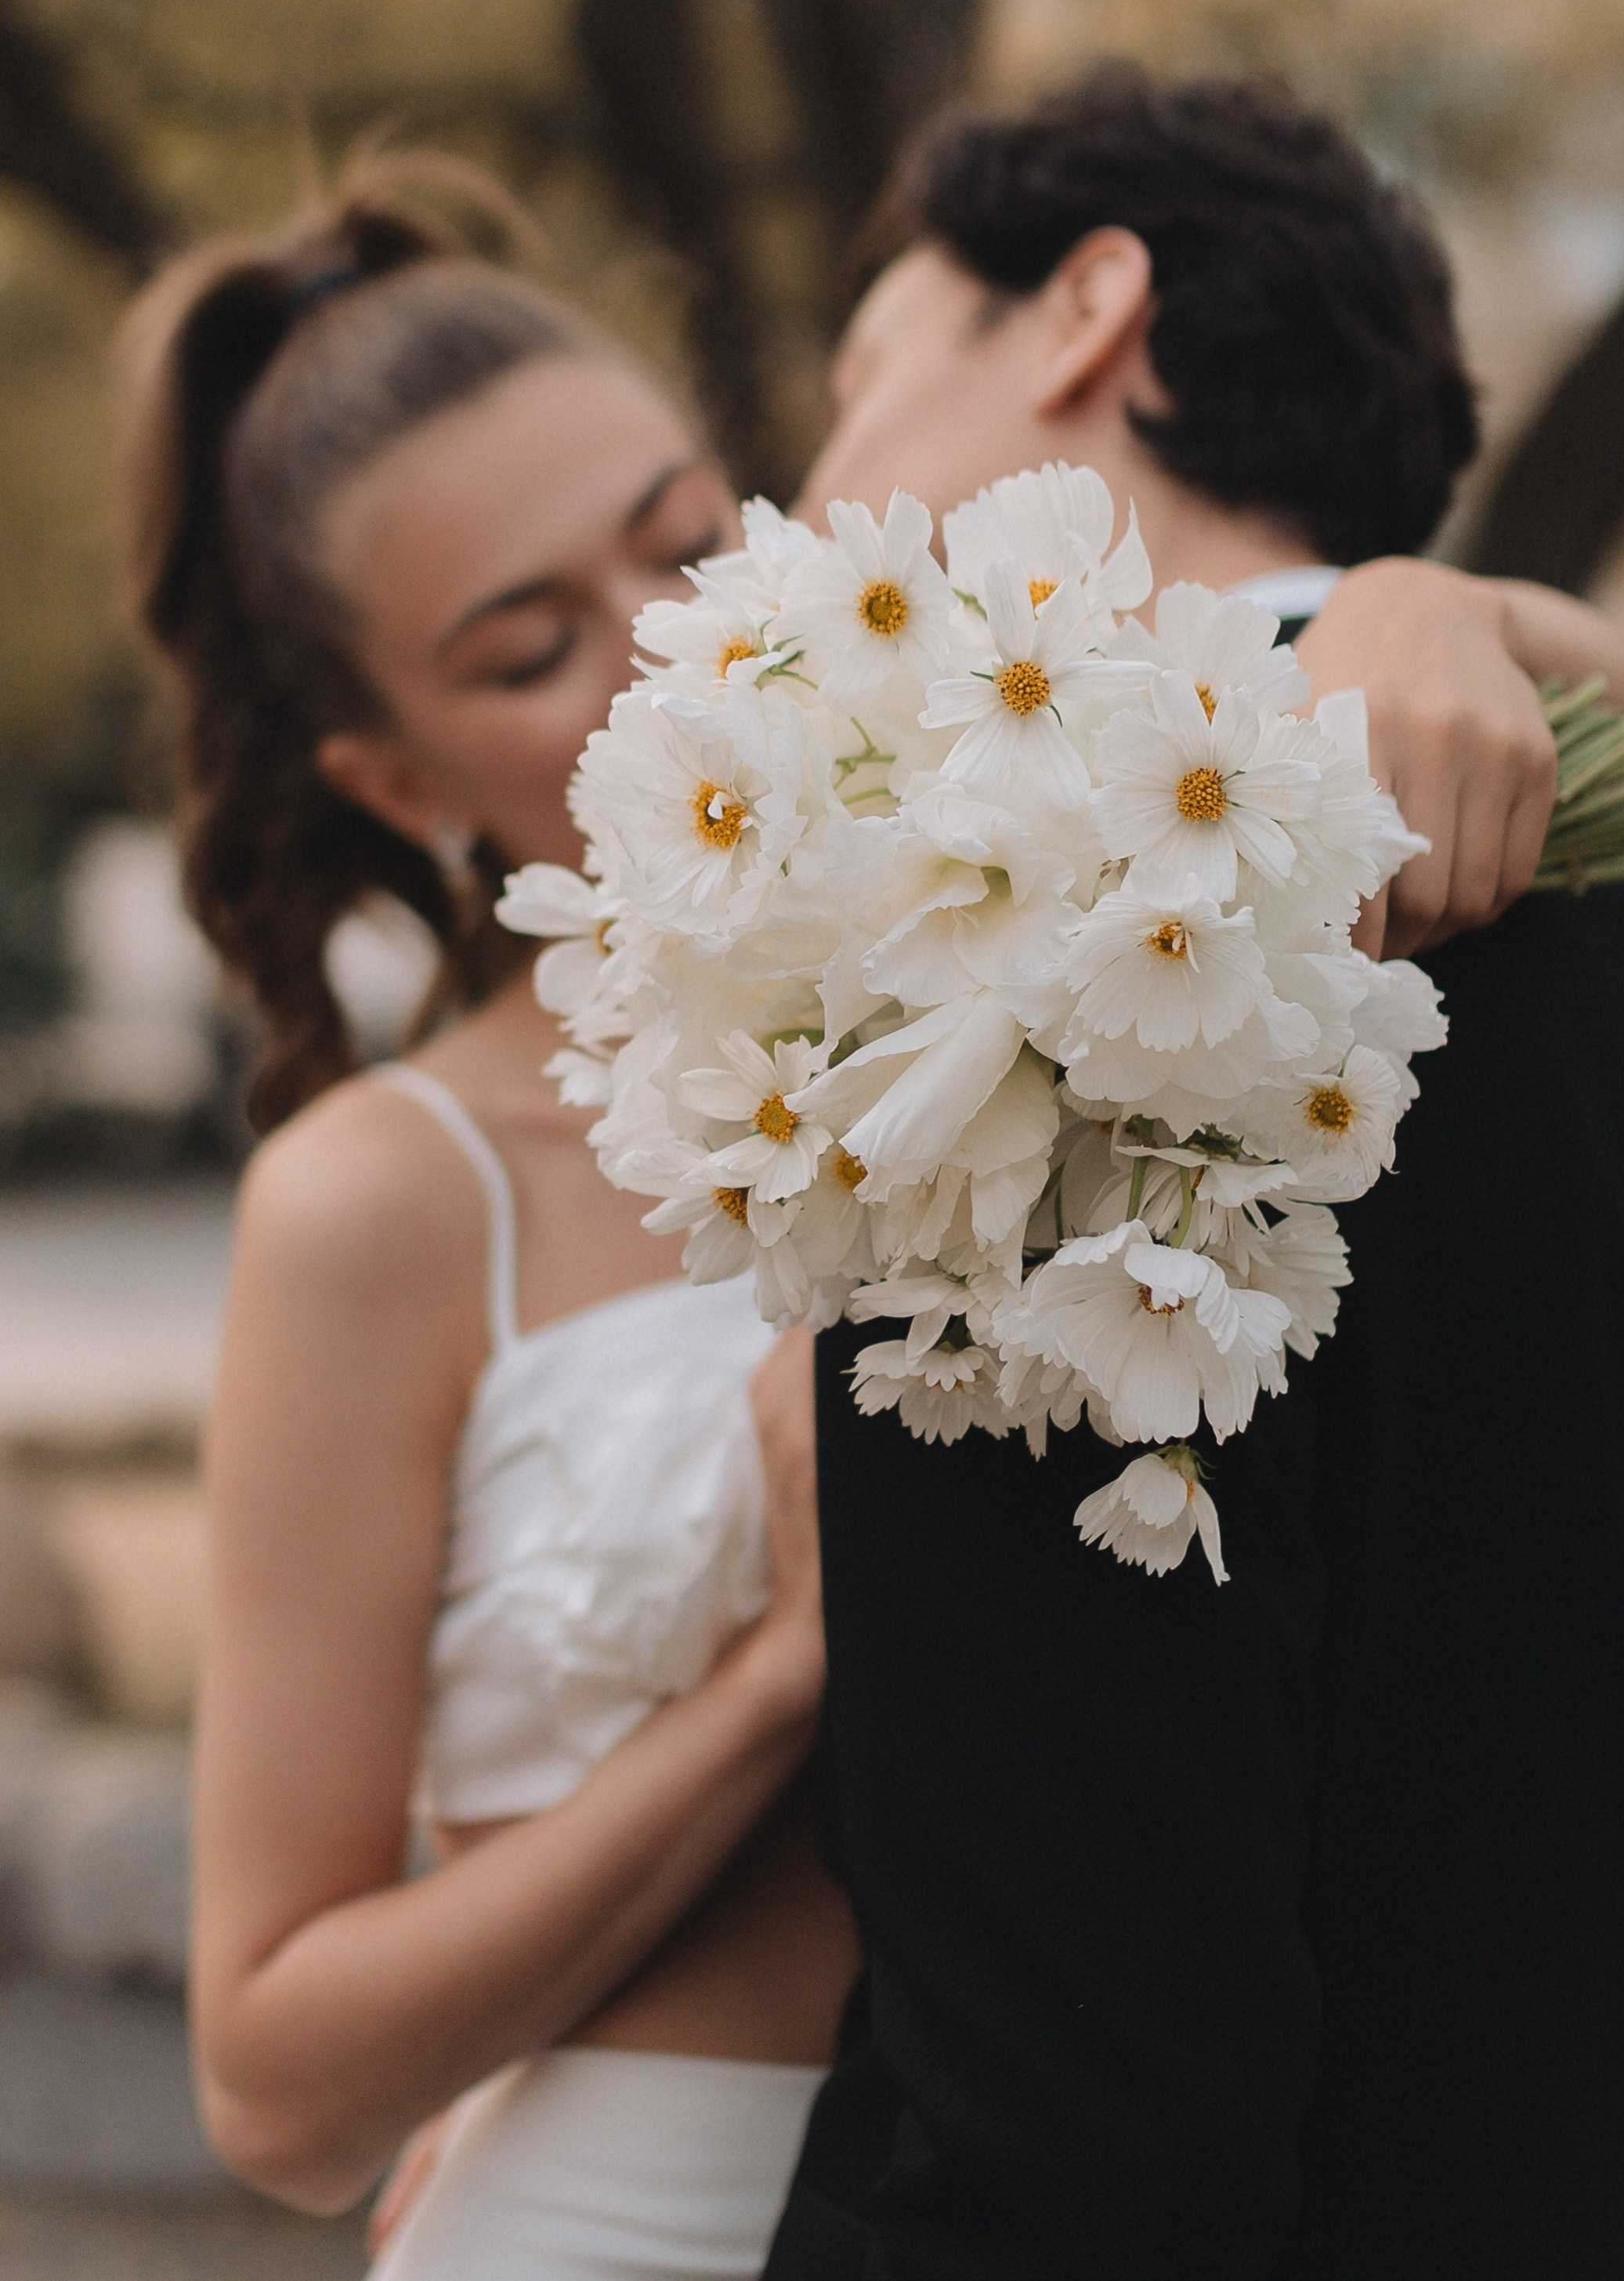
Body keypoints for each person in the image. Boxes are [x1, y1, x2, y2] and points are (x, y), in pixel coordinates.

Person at [761, 69, 1624, 2280]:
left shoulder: (1042, 952)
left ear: (1089, 308)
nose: (810, 483)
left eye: (865, 371)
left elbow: (1073, 2086)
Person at [125, 161, 860, 2281]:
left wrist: (1439, 614)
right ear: (397, 777)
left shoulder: (1054, 986)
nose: (682, 648)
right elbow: (274, 2080)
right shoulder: (388, 1201)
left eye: (694, 539)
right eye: (537, 647)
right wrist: (775, 1681)